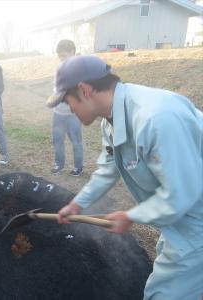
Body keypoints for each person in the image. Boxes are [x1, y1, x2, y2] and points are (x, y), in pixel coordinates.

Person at [50, 55, 203, 300]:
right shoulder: (111, 121)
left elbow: (180, 194)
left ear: (85, 90)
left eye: (68, 102)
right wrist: (77, 204)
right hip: (180, 220)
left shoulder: (156, 118)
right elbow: (108, 169)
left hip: (196, 222)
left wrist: (131, 216)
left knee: (162, 295)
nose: (69, 110)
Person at [47, 39, 83, 176]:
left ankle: (78, 167)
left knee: (75, 141)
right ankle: (59, 164)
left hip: (73, 113)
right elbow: (56, 87)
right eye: (60, 56)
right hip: (58, 112)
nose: (62, 58)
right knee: (58, 140)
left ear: (72, 52)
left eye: (64, 55)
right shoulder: (59, 69)